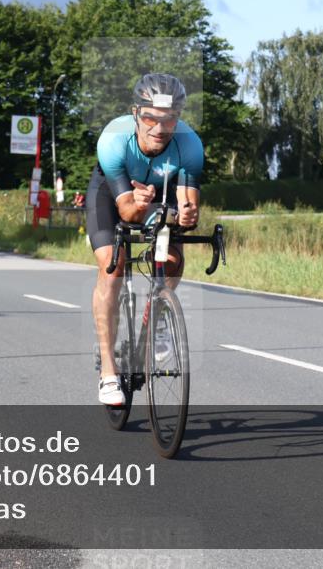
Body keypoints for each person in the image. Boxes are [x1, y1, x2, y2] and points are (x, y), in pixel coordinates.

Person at [86, 73, 203, 405]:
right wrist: (138, 205)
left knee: (173, 256)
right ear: (135, 113)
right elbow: (126, 210)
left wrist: (188, 214)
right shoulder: (113, 139)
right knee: (114, 266)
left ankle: (158, 317)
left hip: (157, 195)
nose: (160, 128)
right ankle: (108, 371)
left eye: (170, 119)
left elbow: (187, 201)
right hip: (112, 196)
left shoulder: (190, 145)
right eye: (150, 117)